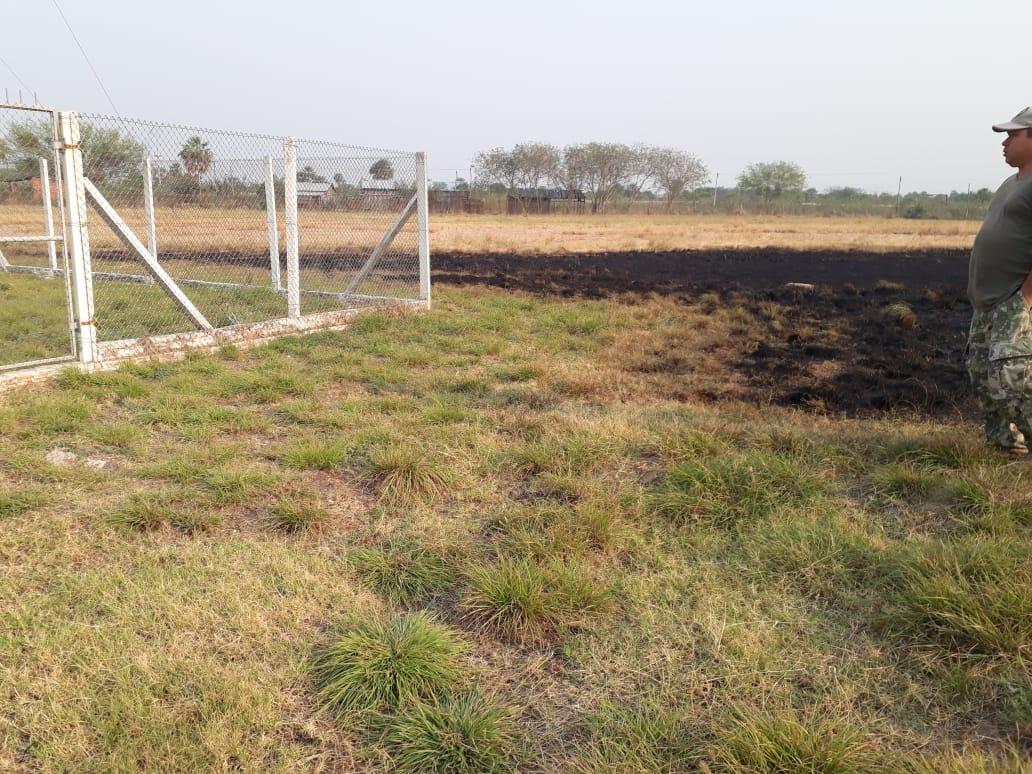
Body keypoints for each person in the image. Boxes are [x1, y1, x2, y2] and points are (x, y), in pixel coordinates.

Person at [967, 106, 1032, 453]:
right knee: (981, 371)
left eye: (1013, 134)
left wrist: (1026, 297)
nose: (1005, 142)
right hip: (987, 300)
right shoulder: (1013, 182)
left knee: (1015, 378)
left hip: (1013, 301)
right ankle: (1004, 444)